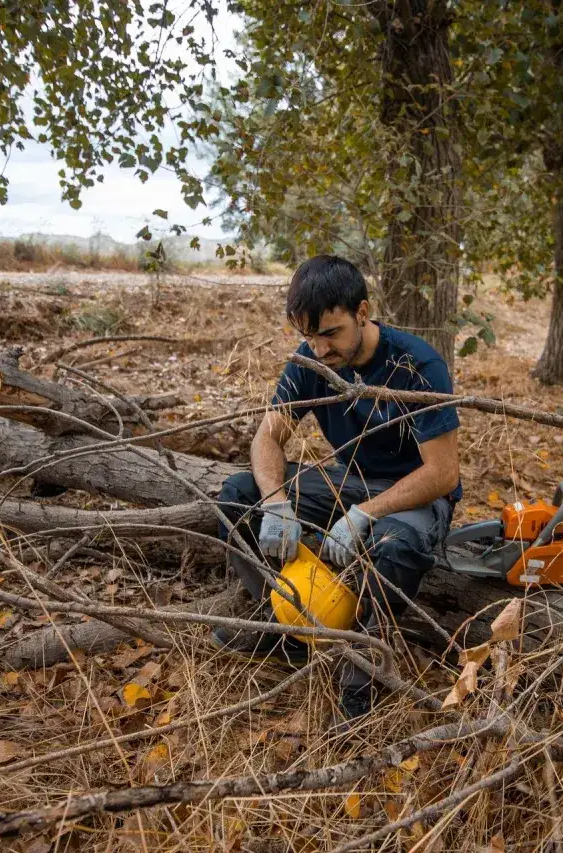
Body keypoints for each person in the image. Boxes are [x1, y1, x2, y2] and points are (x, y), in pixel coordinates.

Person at [211, 254, 461, 724]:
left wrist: (367, 512)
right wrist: (276, 503)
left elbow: (443, 473)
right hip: (349, 480)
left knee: (395, 545)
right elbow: (269, 437)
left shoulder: (417, 363)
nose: (320, 349)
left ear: (362, 313)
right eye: (308, 336)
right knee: (238, 495)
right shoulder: (310, 360)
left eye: (330, 334)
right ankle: (287, 627)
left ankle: (360, 672)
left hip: (415, 492)